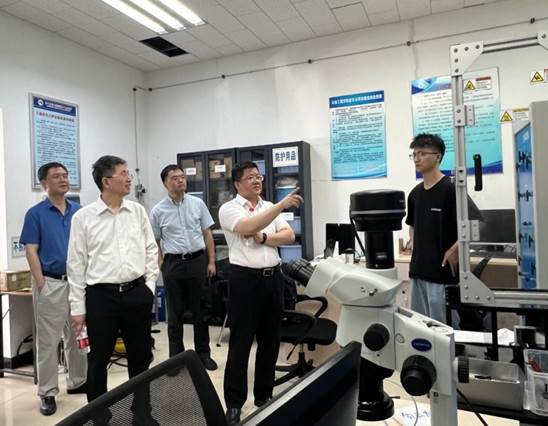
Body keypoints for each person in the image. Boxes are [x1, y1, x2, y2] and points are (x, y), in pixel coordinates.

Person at [67, 155, 159, 411]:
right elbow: (76, 265)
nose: (130, 178)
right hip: (101, 297)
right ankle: (98, 415)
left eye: (129, 172)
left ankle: (142, 410)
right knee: (98, 359)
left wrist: (149, 286)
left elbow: (151, 249)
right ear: (107, 181)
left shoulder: (137, 211)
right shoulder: (83, 218)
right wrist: (77, 308)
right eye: (124, 173)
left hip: (136, 292)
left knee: (141, 356)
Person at [219, 161, 303, 425]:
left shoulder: (267, 207)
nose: (257, 181)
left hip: (273, 279)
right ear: (237, 184)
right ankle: (234, 404)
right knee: (241, 343)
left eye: (259, 177)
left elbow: (289, 236)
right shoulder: (229, 209)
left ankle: (264, 396)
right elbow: (247, 227)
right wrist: (281, 206)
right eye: (250, 177)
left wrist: (265, 238)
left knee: (270, 341)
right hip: (245, 280)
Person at [20, 162, 87, 416]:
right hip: (52, 283)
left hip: (78, 282)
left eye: (65, 175)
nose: (63, 179)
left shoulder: (79, 211)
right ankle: (47, 391)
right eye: (57, 176)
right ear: (44, 183)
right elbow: (31, 250)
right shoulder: (35, 214)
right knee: (48, 341)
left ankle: (78, 381)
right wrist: (41, 283)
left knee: (78, 334)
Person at [149, 164, 218, 371]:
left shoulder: (197, 203)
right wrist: (161, 262)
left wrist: (211, 261)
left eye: (182, 177)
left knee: (201, 312)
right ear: (165, 183)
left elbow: (207, 234)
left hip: (198, 260)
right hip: (173, 264)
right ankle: (176, 360)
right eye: (175, 178)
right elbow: (154, 240)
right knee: (175, 314)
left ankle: (203, 355)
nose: (180, 180)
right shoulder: (157, 211)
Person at [406, 133, 459, 325]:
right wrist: (414, 243)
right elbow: (412, 225)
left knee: (443, 330)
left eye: (422, 153)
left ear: (438, 157)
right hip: (418, 272)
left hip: (441, 275)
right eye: (414, 154)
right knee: (419, 328)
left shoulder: (452, 189)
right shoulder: (414, 194)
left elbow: (474, 224)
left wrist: (456, 248)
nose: (417, 158)